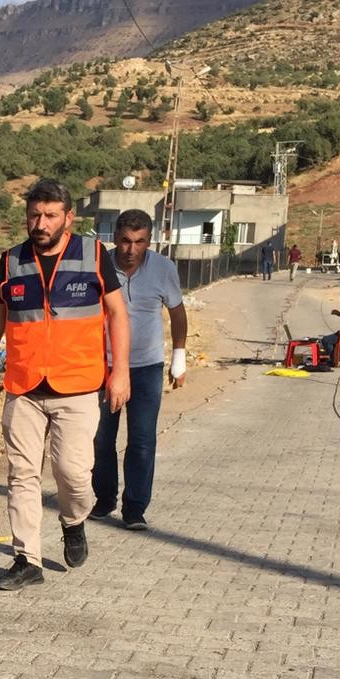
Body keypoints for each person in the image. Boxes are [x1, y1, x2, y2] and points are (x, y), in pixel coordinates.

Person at [0, 178, 131, 591]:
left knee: (72, 474)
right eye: (34, 215)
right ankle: (27, 559)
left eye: (50, 216)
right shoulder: (11, 261)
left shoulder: (93, 256)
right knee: (22, 474)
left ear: (68, 218)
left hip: (78, 386)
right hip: (24, 388)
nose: (40, 224)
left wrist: (121, 372)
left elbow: (117, 314)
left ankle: (73, 520)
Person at [92, 209, 187, 531]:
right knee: (101, 438)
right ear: (115, 239)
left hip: (147, 367)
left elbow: (177, 312)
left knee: (142, 440)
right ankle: (104, 499)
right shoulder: (99, 265)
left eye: (140, 242)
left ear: (150, 240)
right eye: (125, 241)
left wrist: (179, 357)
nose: (131, 249)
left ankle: (134, 508)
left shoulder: (163, 268)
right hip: (104, 365)